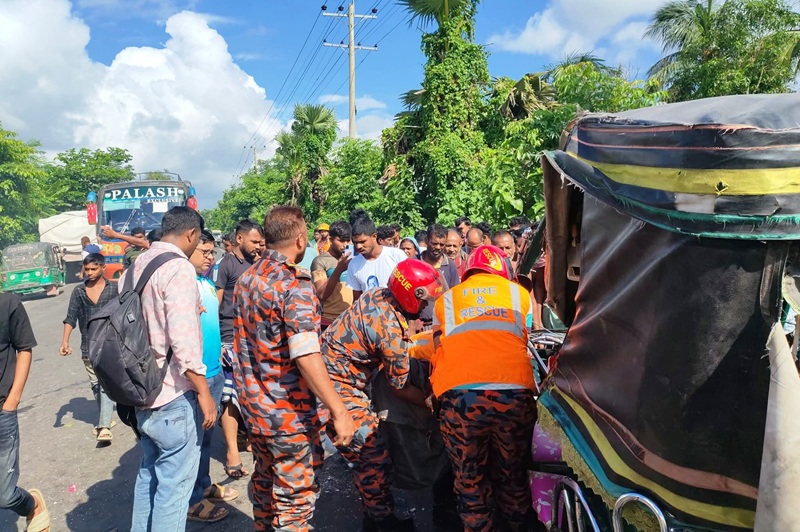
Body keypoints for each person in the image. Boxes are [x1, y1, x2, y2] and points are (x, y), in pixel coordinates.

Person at [233, 206, 356, 531]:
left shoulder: (248, 278)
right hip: (289, 418)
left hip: (256, 412)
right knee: (294, 505)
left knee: (265, 486)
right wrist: (339, 411)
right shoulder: (294, 285)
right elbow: (306, 354)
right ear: (301, 240)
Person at [322, 259, 447, 531]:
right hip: (335, 387)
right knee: (371, 454)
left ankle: (373, 515)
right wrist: (431, 403)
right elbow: (399, 387)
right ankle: (382, 521)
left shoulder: (379, 294)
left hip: (341, 378)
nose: (424, 307)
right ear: (411, 295)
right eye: (423, 301)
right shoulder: (388, 329)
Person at [426, 245, 541, 532]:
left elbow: (438, 347)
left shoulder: (446, 300)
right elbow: (524, 337)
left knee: (470, 481)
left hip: (460, 399)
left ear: (468, 271)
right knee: (513, 476)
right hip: (514, 396)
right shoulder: (519, 294)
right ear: (503, 269)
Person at [118, 206, 216, 531]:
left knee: (149, 475)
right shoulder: (178, 268)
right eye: (198, 240)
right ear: (191, 234)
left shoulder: (135, 266)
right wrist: (204, 393)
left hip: (141, 390)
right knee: (174, 492)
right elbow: (183, 341)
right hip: (173, 395)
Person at [187, 230, 237, 523]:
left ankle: (204, 486)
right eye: (204, 252)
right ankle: (193, 501)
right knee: (193, 441)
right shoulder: (184, 284)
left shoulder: (206, 282)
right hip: (197, 375)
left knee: (206, 437)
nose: (210, 258)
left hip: (214, 370)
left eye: (211, 253)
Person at [215, 219, 264, 479]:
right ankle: (232, 452)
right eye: (254, 241)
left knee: (250, 392)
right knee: (230, 396)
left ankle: (252, 441)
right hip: (229, 337)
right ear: (239, 239)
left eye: (260, 242)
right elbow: (216, 302)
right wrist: (216, 342)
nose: (258, 246)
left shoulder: (257, 262)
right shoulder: (226, 265)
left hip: (252, 337)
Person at [0, 293, 50, 532]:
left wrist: (13, 399)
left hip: (2, 411)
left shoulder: (7, 304)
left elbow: (24, 348)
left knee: (5, 496)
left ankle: (32, 505)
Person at [59, 253, 118, 443]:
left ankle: (104, 426)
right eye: (87, 270)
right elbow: (70, 318)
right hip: (88, 346)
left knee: (104, 384)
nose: (90, 273)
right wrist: (65, 341)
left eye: (94, 269)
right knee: (96, 385)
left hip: (110, 345)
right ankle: (105, 418)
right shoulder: (79, 292)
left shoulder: (114, 289)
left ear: (103, 268)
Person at [347, 215, 408, 300]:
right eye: (355, 242)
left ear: (374, 236)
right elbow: (357, 300)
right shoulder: (354, 264)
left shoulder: (396, 255)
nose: (358, 246)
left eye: (362, 242)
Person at [311, 221, 354, 330]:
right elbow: (321, 294)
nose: (345, 245)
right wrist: (339, 269)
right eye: (341, 241)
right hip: (329, 321)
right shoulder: (320, 261)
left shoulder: (355, 259)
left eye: (348, 240)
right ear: (330, 239)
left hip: (351, 320)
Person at [419, 224, 461, 330]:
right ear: (426, 241)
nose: (438, 247)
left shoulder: (450, 265)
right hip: (419, 325)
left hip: (443, 325)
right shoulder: (415, 262)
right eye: (434, 243)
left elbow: (454, 296)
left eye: (442, 244)